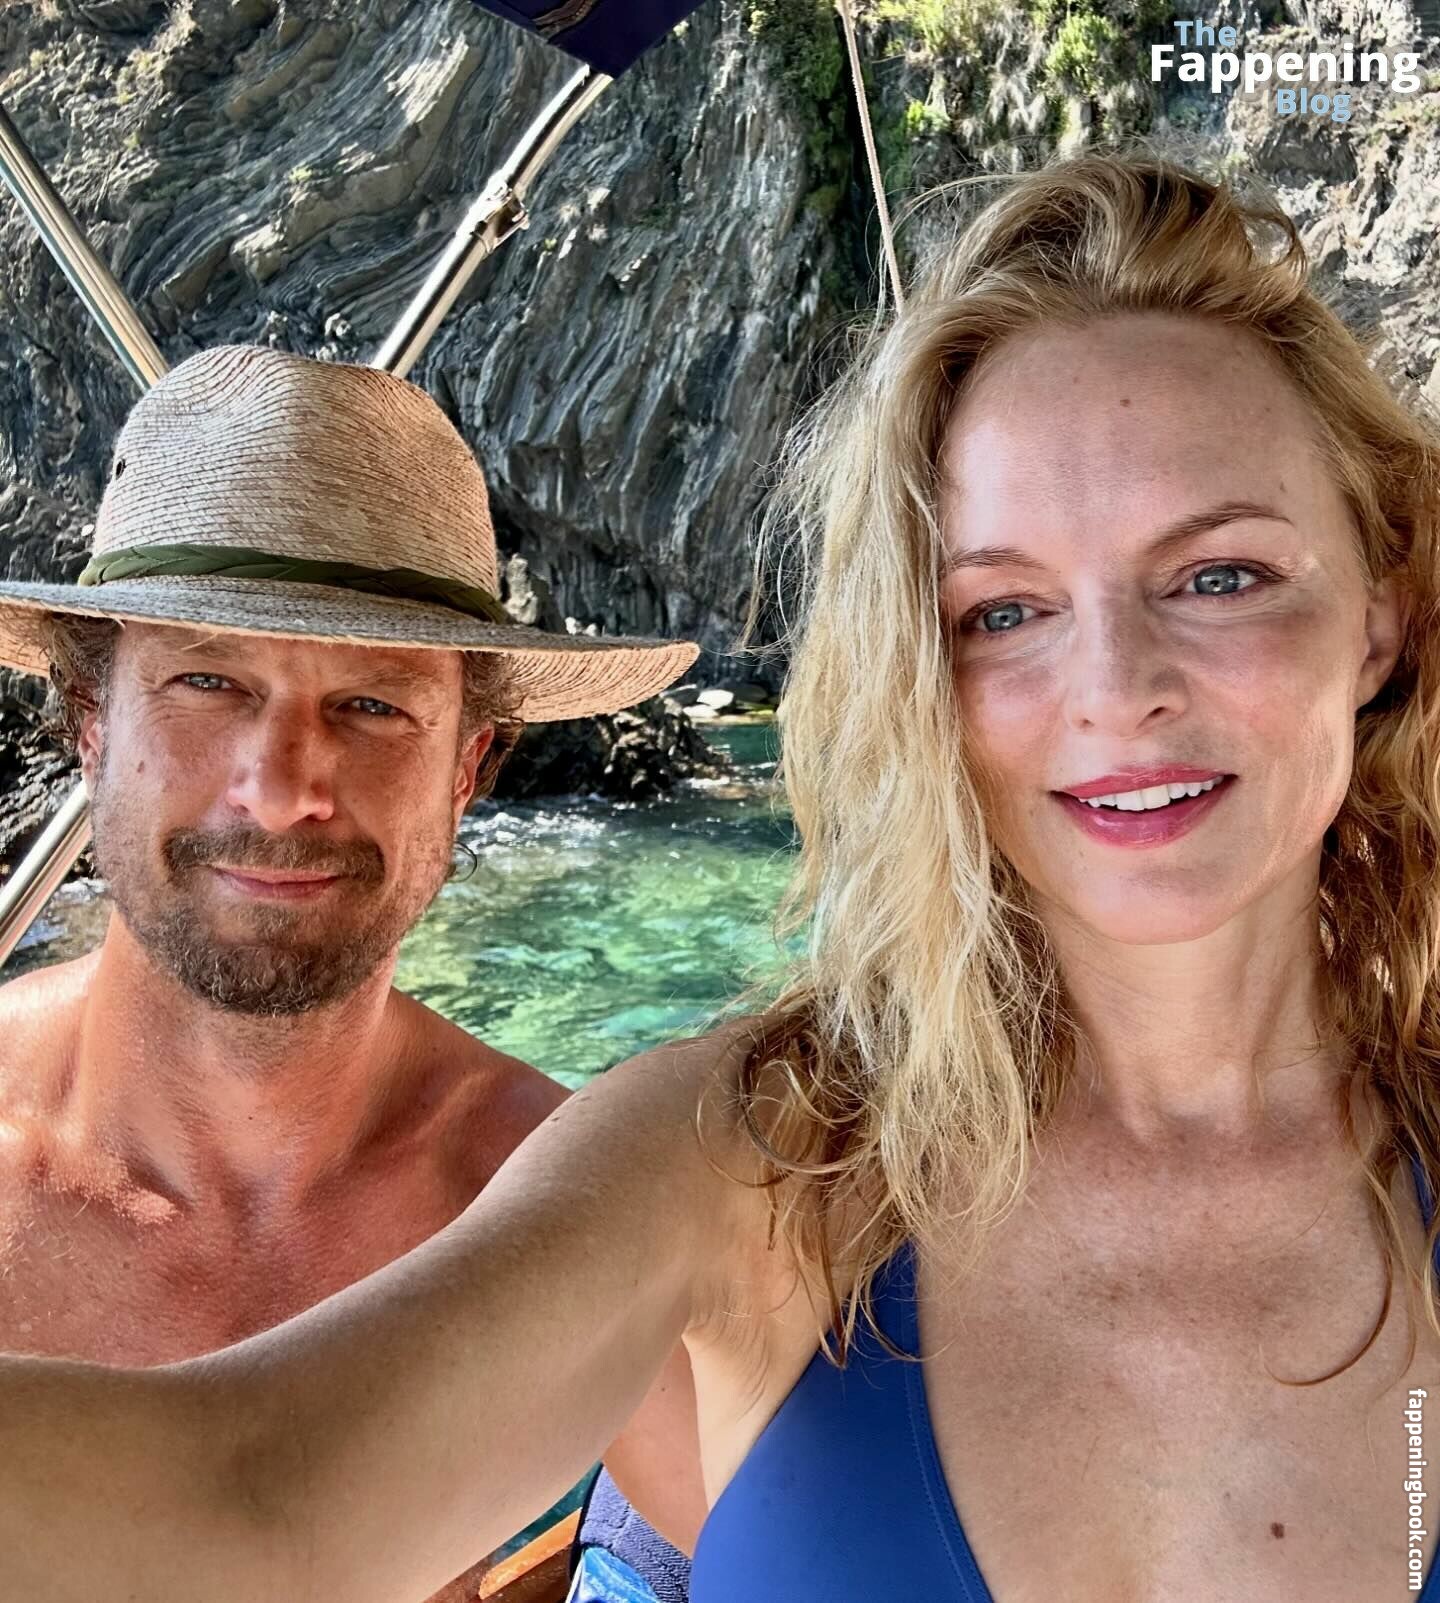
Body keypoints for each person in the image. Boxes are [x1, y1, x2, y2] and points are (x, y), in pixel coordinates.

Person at [0, 147, 1437, 1603]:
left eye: (1221, 576)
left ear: (1380, 617)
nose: (1118, 687)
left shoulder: (535, 1147)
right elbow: (256, 1496)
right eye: (1005, 608)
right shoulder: (743, 1163)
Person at [0, 343, 704, 1598]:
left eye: (374, 706)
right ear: (90, 723)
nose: (283, 788)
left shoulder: (545, 1204)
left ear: (468, 766)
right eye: (208, 680)